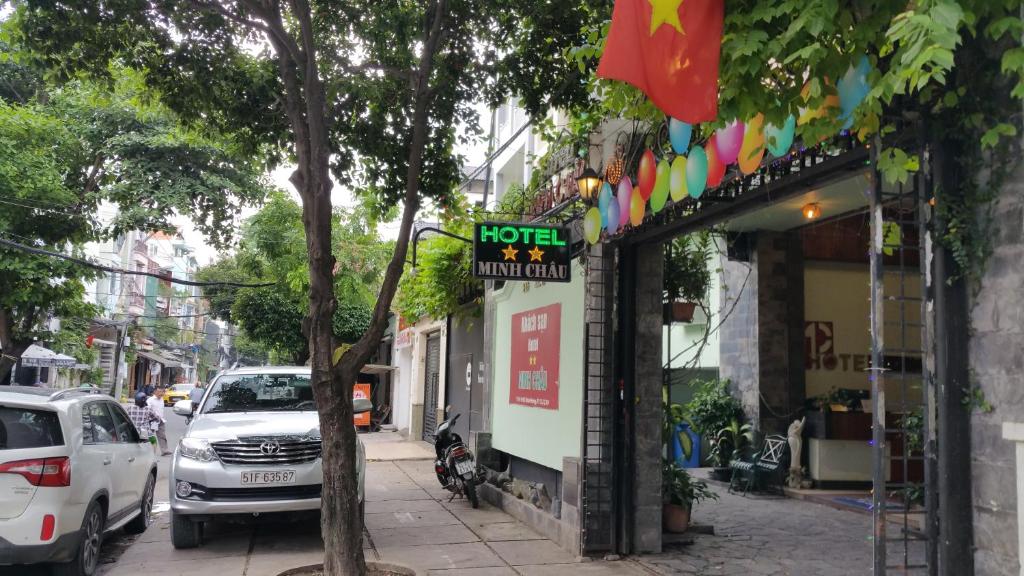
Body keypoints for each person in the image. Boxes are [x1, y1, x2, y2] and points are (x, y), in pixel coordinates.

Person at [146, 385, 171, 456]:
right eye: (159, 391)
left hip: (161, 420)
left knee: (162, 436)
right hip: (153, 421)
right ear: (155, 392)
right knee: (150, 436)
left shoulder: (162, 399)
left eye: (162, 391)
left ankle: (164, 450)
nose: (161, 393)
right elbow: (147, 410)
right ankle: (148, 450)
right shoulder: (150, 400)